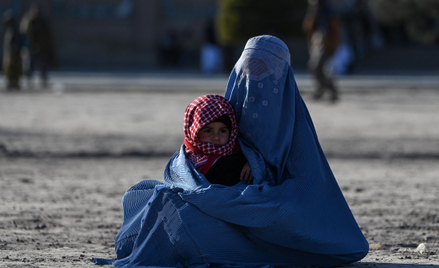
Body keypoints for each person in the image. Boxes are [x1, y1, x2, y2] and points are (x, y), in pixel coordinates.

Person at [93, 35, 368, 268]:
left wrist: (246, 197)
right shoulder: (224, 116)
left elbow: (306, 200)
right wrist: (209, 195)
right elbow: (184, 166)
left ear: (284, 78)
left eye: (267, 74)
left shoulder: (298, 135)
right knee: (151, 196)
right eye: (251, 72)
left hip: (270, 225)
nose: (257, 85)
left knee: (180, 215)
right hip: (213, 203)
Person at [184, 94, 253, 185]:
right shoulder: (184, 158)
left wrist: (253, 165)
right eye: (208, 131)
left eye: (223, 131)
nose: (216, 137)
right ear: (193, 131)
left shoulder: (240, 155)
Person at [303, 0, 341, 102]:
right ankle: (321, 89)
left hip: (327, 44)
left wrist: (333, 46)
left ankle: (330, 90)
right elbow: (308, 27)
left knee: (317, 67)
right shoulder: (314, 12)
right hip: (316, 43)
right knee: (313, 67)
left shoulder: (329, 12)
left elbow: (335, 31)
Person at [20, 4, 56, 88]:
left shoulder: (42, 22)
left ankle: (43, 81)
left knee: (43, 65)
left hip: (41, 48)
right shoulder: (28, 21)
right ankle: (29, 81)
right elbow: (24, 33)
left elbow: (47, 35)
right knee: (29, 66)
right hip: (31, 47)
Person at [2, 10, 23, 90]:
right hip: (11, 55)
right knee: (9, 70)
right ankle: (11, 83)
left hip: (14, 55)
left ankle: (14, 83)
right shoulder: (10, 31)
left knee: (13, 70)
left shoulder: (14, 32)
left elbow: (14, 45)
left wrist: (13, 56)